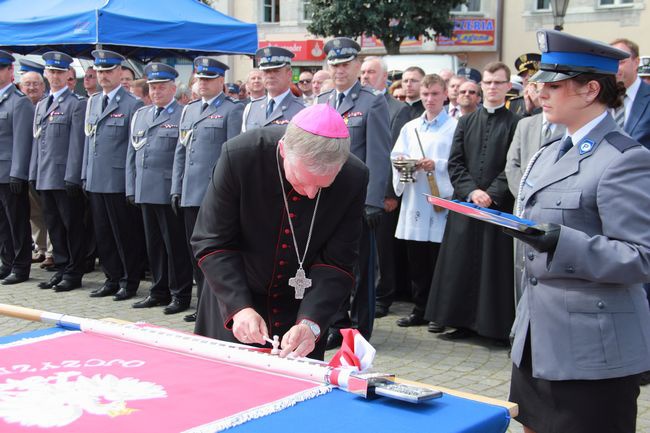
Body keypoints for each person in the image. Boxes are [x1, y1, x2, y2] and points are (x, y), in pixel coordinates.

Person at [505, 29, 650, 433]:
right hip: (537, 339)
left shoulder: (625, 159)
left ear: (589, 90)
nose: (540, 91)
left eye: (554, 84)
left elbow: (641, 256)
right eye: (540, 83)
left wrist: (562, 242)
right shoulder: (550, 151)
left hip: (593, 351)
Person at [192, 104, 368, 360]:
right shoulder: (241, 156)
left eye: (322, 186)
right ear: (284, 151)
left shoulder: (354, 177)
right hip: (233, 298)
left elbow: (337, 263)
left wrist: (311, 324)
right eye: (301, 179)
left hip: (303, 308)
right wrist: (239, 307)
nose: (310, 193)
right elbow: (212, 241)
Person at [425, 61, 520, 342]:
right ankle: (461, 322)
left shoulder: (516, 122)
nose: (492, 88)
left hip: (497, 207)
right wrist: (471, 192)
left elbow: (513, 165)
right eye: (488, 82)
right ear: (481, 87)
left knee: (494, 266)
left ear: (507, 87)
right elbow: (455, 163)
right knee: (460, 263)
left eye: (498, 83)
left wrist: (492, 193)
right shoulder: (466, 122)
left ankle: (493, 327)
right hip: (467, 205)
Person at [318, 37, 392, 348]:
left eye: (345, 64)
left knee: (360, 271)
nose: (339, 70)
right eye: (334, 64)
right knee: (330, 265)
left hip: (358, 202)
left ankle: (359, 329)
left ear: (357, 66)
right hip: (326, 199)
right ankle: (337, 322)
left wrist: (374, 200)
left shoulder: (371, 102)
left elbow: (378, 153)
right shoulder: (322, 100)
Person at [171, 57, 243, 323]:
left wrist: (228, 193)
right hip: (190, 193)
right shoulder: (189, 111)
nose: (203, 83)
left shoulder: (232, 110)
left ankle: (219, 308)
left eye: (209, 79)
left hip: (215, 195)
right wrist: (176, 187)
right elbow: (181, 153)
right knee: (196, 256)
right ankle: (202, 304)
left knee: (216, 255)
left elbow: (233, 155)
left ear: (221, 81)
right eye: (200, 78)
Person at [127, 63, 193, 315]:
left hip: (168, 191)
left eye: (161, 87)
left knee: (174, 246)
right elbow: (132, 154)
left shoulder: (183, 114)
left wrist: (177, 188)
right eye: (153, 87)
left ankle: (180, 293)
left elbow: (182, 155)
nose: (156, 91)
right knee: (153, 245)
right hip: (145, 189)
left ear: (173, 88)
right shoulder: (141, 114)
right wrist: (131, 186)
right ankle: (158, 290)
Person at [391, 74, 456, 328]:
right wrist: (406, 163)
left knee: (439, 259)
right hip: (415, 198)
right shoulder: (411, 127)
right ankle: (420, 308)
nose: (430, 100)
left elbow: (458, 161)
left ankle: (440, 312)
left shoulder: (453, 127)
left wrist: (436, 165)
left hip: (440, 198)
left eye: (435, 94)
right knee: (417, 259)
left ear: (445, 95)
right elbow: (396, 156)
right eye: (426, 95)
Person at [83, 49, 145, 301]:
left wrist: (131, 183)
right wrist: (85, 174)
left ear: (120, 72)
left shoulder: (133, 104)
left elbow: (134, 148)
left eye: (108, 71)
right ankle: (111, 278)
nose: (103, 76)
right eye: (99, 71)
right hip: (97, 178)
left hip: (118, 180)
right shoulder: (93, 101)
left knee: (124, 234)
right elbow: (89, 141)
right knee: (104, 233)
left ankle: (129, 281)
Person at [28, 51, 87, 291]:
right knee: (53, 225)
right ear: (46, 74)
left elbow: (76, 145)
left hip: (64, 178)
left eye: (60, 72)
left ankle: (74, 272)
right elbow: (36, 141)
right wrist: (32, 173)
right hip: (44, 176)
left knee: (71, 226)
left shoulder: (75, 104)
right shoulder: (43, 104)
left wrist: (73, 176)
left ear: (68, 76)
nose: (55, 76)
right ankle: (61, 268)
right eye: (51, 71)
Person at [360, 55, 407, 319]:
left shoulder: (396, 109)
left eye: (371, 72)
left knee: (382, 249)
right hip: (358, 191)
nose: (365, 76)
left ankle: (382, 295)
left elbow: (392, 154)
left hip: (381, 193)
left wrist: (389, 193)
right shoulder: (357, 103)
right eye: (364, 72)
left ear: (384, 77)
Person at [0, 51, 34, 285]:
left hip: (10, 172)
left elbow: (22, 141)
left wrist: (18, 173)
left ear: (10, 71)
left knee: (17, 221)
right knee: (2, 222)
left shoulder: (18, 102)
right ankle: (7, 261)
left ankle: (21, 267)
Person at [243, 47, 305, 132]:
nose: (270, 76)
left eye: (276, 71)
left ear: (289, 74)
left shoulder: (303, 109)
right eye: (266, 71)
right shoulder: (251, 108)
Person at [610, 38, 650, 149]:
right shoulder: (602, 98)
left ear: (636, 62)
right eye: (612, 62)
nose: (616, 68)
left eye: (621, 62)